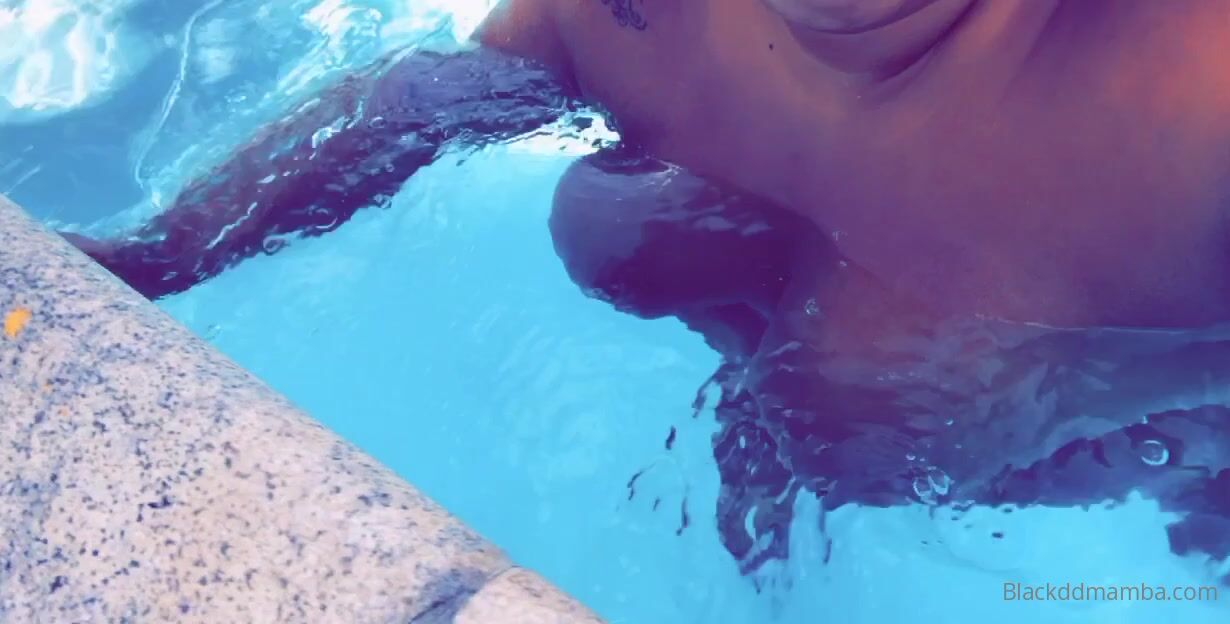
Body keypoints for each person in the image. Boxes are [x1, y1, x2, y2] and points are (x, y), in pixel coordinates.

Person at [67, 0, 1230, 573]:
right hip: (823, 317)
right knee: (627, 231)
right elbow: (429, 101)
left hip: (1158, 431)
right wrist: (158, 254)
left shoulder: (1190, 89)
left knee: (857, 408)